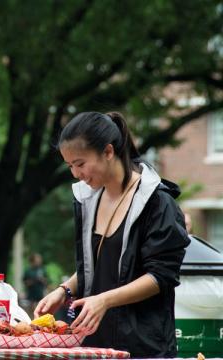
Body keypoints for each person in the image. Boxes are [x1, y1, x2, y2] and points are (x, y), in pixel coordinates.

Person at [34, 111, 190, 358]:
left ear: (108, 152)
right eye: (70, 165)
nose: (75, 174)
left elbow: (160, 276)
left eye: (80, 163)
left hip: (143, 347)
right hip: (93, 343)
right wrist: (64, 290)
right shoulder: (89, 199)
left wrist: (104, 300)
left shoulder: (157, 202)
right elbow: (97, 263)